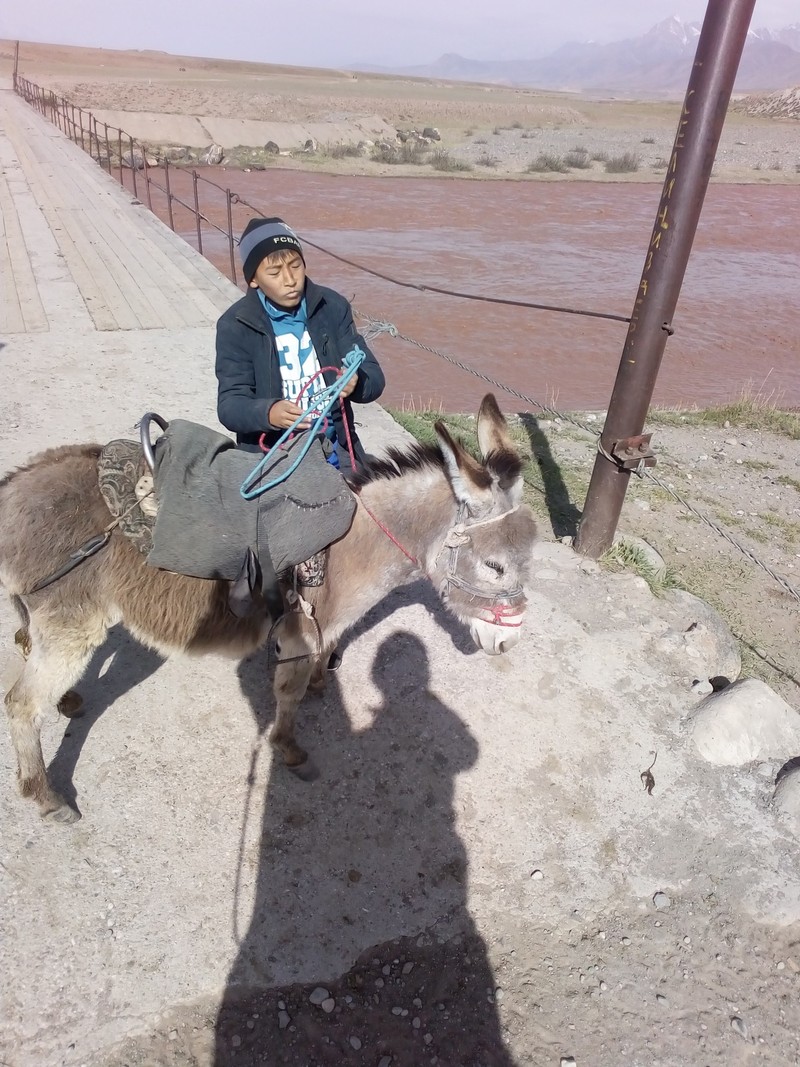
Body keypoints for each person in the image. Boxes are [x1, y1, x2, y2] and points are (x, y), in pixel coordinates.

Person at [215, 216, 385, 476]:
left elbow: (374, 378)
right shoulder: (235, 324)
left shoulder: (332, 307)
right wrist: (268, 413)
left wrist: (356, 382)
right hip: (271, 456)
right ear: (253, 280)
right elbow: (230, 406)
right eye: (274, 273)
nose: (289, 279)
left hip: (336, 450)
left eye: (295, 266)